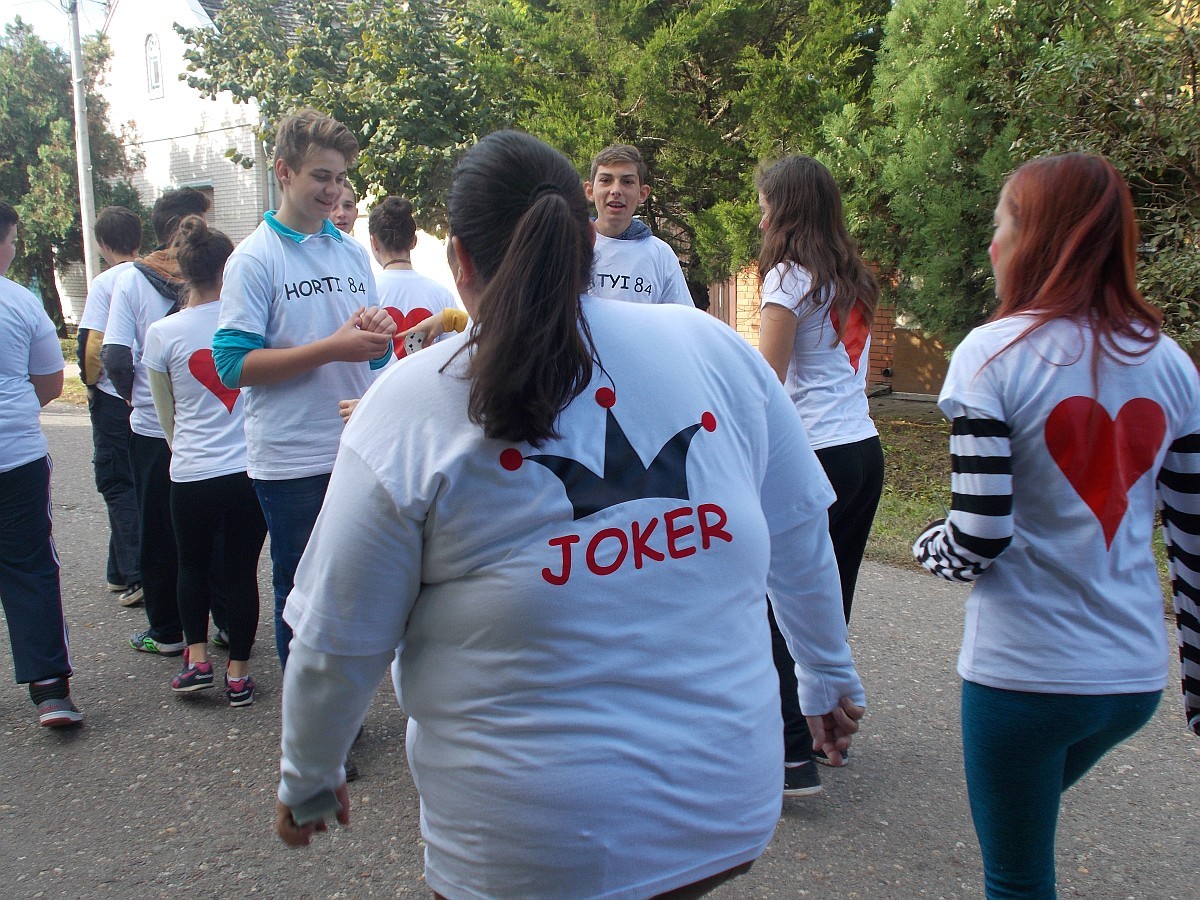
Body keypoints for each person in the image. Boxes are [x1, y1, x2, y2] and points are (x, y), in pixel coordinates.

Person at [273, 131, 865, 898]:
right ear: (585, 241)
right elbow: (797, 527)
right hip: (726, 810)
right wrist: (826, 674)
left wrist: (309, 778)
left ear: (460, 260)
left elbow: (336, 637)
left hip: (529, 850)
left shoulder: (412, 402)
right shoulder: (712, 348)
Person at [912, 152, 1200, 898]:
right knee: (1022, 829)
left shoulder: (991, 355)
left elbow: (979, 534)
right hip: (1132, 680)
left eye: (1002, 224)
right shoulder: (1171, 363)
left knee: (1016, 877)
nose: (992, 244)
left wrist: (926, 548)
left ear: (1036, 238)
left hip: (1025, 676)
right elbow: (1193, 539)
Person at [212, 108, 394, 671]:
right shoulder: (253, 259)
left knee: (356, 585)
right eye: (321, 176)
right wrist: (331, 348)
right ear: (284, 172)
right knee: (302, 591)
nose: (333, 190)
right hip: (291, 458)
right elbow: (231, 366)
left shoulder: (351, 251)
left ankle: (339, 703)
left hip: (355, 446)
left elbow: (371, 352)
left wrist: (380, 335)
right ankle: (306, 717)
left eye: (340, 178)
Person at [754, 154, 885, 794]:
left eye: (765, 206)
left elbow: (765, 384)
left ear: (787, 209)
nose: (761, 219)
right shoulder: (852, 276)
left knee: (781, 605)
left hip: (812, 455)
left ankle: (789, 753)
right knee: (831, 604)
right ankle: (829, 730)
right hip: (863, 451)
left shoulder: (787, 277)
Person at [142, 216, 267, 706]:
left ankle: (195, 661)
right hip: (249, 469)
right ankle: (239, 673)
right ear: (228, 269)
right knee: (241, 571)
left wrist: (186, 450)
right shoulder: (250, 325)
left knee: (190, 566)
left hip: (192, 471)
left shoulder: (162, 333)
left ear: (183, 271)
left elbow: (164, 415)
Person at [102, 187, 212, 656]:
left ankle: (167, 630)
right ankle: (229, 624)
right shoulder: (222, 273)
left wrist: (136, 399)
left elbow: (113, 355)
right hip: (215, 425)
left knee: (159, 528)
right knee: (219, 530)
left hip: (152, 428)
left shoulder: (132, 279)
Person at [0, 201, 81, 727]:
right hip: (15, 452)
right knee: (29, 564)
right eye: (12, 241)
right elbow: (51, 381)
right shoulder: (19, 302)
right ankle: (50, 689)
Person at [76, 205, 144, 608]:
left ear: (103, 243)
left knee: (117, 481)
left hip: (114, 394)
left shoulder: (105, 282)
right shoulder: (150, 274)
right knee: (140, 477)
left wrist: (90, 386)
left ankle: (136, 573)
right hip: (146, 393)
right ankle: (118, 571)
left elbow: (92, 345)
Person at [584, 144, 694, 306]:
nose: (616, 190)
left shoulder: (660, 254)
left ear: (642, 193)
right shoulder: (569, 248)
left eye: (627, 181)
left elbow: (681, 317)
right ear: (590, 191)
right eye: (606, 180)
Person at [368, 196, 458, 359]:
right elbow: (454, 352)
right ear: (413, 241)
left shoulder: (366, 292)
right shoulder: (441, 294)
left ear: (374, 242)